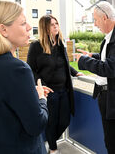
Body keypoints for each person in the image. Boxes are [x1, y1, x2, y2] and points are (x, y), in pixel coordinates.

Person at [0, 0, 52, 154]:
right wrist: (41, 99)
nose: (29, 27)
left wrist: (27, 92)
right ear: (3, 30)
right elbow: (37, 125)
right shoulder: (16, 69)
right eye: (23, 23)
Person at [74, 1, 115, 154]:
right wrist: (93, 56)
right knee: (111, 140)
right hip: (107, 95)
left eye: (95, 20)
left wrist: (83, 61)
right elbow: (110, 58)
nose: (95, 24)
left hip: (113, 97)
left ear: (104, 17)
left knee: (111, 141)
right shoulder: (112, 36)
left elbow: (111, 68)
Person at [27, 14, 83, 154]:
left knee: (65, 121)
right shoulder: (36, 46)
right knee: (51, 123)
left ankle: (48, 142)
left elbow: (65, 64)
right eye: (52, 24)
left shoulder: (60, 44)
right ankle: (53, 149)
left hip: (63, 91)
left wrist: (75, 72)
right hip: (48, 92)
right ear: (45, 28)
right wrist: (41, 85)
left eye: (56, 23)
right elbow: (31, 70)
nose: (56, 26)